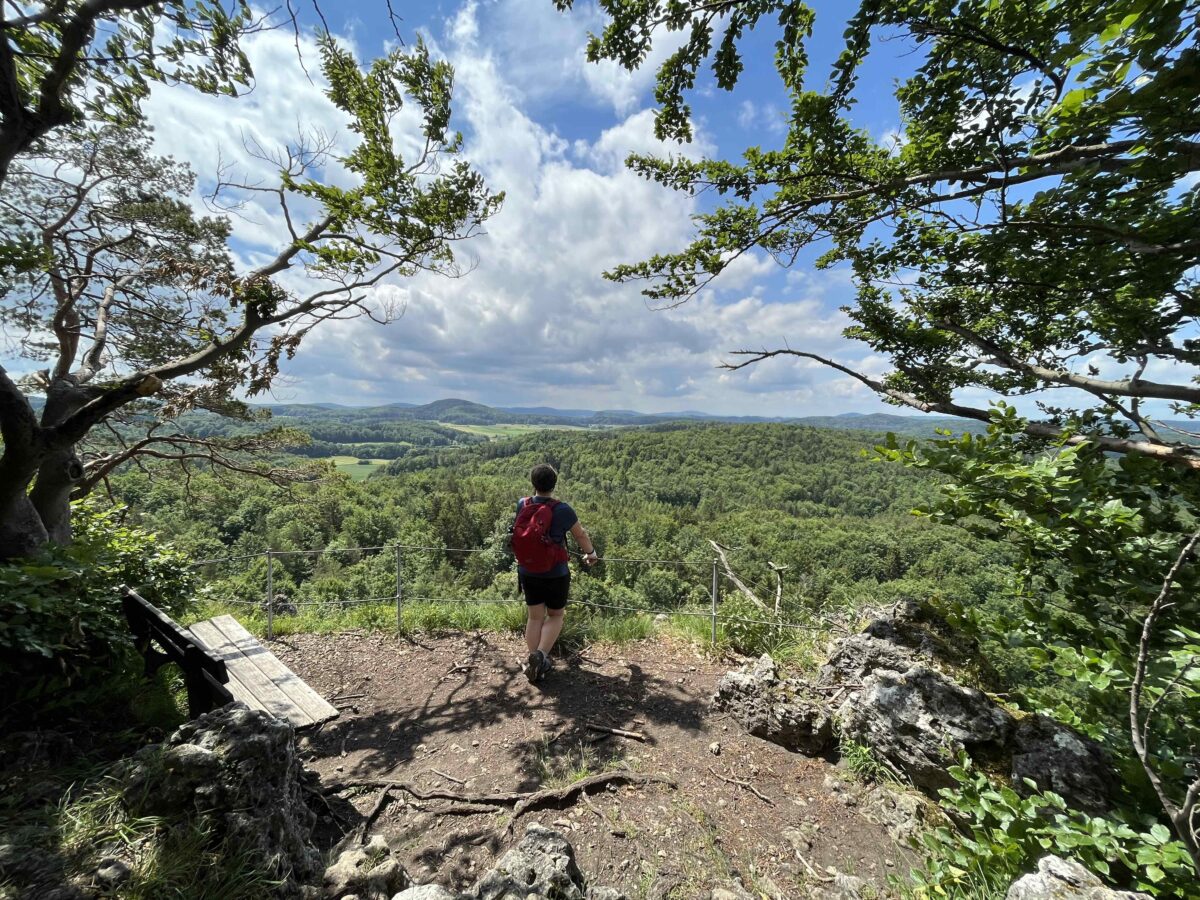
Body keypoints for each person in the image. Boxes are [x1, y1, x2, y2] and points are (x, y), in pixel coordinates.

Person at [512, 463, 597, 683]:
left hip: (528, 570)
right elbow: (580, 535)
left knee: (534, 617)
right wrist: (591, 553)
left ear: (533, 483)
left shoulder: (523, 504)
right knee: (556, 615)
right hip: (556, 572)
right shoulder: (563, 509)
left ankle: (536, 659)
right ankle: (541, 656)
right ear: (554, 484)